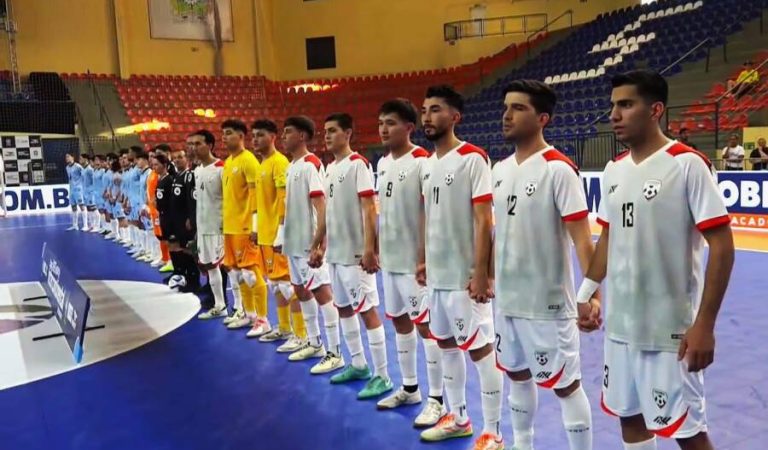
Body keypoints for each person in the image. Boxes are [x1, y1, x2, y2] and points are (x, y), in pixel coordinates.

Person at [577, 70, 734, 450]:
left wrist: (705, 325)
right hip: (621, 329)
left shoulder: (686, 164)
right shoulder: (613, 171)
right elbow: (609, 237)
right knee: (630, 418)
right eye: (613, 105)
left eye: (626, 104)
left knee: (688, 432)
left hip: (670, 334)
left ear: (656, 110)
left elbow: (722, 246)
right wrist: (586, 293)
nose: (614, 113)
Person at [493, 80, 598, 450]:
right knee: (517, 377)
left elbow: (583, 240)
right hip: (507, 301)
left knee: (567, 387)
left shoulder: (558, 169)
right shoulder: (500, 169)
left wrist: (590, 296)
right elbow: (500, 234)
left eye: (518, 108)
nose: (507, 115)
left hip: (548, 305)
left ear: (542, 118)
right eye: (506, 107)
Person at [417, 85, 503, 450]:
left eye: (435, 110)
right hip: (437, 277)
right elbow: (428, 216)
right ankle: (460, 418)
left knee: (482, 352)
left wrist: (483, 272)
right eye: (424, 110)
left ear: (455, 117)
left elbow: (485, 221)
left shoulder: (473, 158)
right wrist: (423, 259)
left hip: (465, 278)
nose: (427, 116)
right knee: (447, 347)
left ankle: (494, 433)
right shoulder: (427, 164)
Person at [373, 99, 447, 427]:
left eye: (390, 122)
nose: (384, 129)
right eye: (380, 123)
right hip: (389, 261)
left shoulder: (422, 161)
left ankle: (438, 399)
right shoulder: (383, 163)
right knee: (400, 323)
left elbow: (431, 215)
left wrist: (424, 258)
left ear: (409, 127)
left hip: (414, 264)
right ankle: (410, 388)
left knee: (427, 328)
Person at [309, 112, 392, 399]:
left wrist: (370, 249)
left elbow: (370, 209)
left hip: (356, 254)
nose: (327, 135)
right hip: (336, 253)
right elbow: (328, 214)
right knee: (343, 308)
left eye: (333, 130)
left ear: (348, 133)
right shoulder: (330, 168)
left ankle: (382, 374)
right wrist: (319, 245)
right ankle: (358, 363)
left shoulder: (359, 164)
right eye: (325, 131)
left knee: (367, 311)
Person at [280, 115, 344, 374]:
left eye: (288, 132)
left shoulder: (311, 164)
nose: (283, 136)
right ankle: (315, 342)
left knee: (322, 292)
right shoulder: (291, 166)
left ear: (302, 136)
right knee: (301, 290)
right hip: (293, 241)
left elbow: (321, 206)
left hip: (309, 243)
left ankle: (335, 351)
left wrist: (319, 243)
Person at [250, 119, 308, 352]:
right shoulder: (261, 164)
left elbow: (284, 199)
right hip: (264, 234)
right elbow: (259, 202)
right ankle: (284, 327)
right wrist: (256, 228)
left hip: (277, 235)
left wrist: (281, 232)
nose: (255, 139)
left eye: (261, 135)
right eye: (253, 135)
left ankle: (302, 334)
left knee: (289, 286)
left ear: (273, 137)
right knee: (276, 285)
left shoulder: (279, 162)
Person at [220, 119, 266, 332]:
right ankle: (249, 314)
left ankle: (263, 320)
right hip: (230, 227)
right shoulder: (228, 162)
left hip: (245, 227)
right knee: (238, 275)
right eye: (223, 133)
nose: (224, 137)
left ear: (241, 136)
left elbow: (256, 196)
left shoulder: (248, 161)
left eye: (229, 133)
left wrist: (255, 226)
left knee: (251, 273)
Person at [190, 130, 229, 319]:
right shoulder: (197, 171)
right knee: (210, 268)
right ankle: (219, 305)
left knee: (230, 269)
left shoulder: (222, 168)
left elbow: (229, 200)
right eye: (192, 144)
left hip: (219, 227)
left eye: (198, 144)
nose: (194, 148)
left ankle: (239, 309)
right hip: (204, 227)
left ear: (210, 145)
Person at [166, 146, 199, 292]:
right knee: (182, 249)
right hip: (177, 220)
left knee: (189, 251)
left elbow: (192, 200)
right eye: (175, 158)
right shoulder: (176, 176)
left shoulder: (189, 176)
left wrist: (190, 218)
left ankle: (194, 281)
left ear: (187, 159)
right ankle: (184, 277)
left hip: (186, 221)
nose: (177, 160)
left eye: (180, 157)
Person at [65, 152, 86, 231]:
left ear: (72, 157)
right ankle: (75, 225)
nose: (67, 158)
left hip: (78, 189)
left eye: (68, 156)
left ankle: (85, 224)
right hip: (71, 189)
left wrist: (82, 186)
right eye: (66, 157)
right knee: (73, 206)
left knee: (81, 205)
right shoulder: (67, 167)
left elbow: (84, 175)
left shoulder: (78, 166)